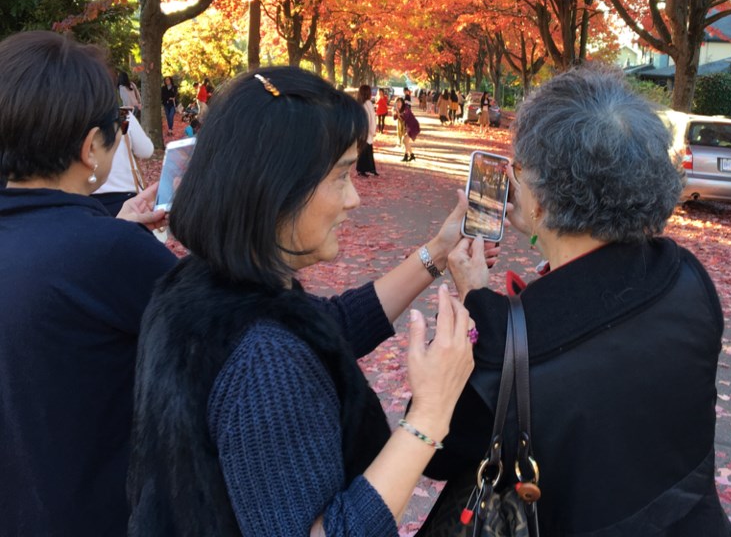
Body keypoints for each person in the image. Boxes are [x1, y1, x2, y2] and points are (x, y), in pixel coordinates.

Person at [127, 67, 490, 537]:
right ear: (275, 186)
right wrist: (429, 415)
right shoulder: (265, 362)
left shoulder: (199, 286)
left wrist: (438, 251)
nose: (354, 198)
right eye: (340, 176)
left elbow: (325, 326)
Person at [425, 67, 731, 535]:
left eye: (519, 172)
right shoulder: (686, 276)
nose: (510, 179)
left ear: (545, 201)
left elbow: (438, 451)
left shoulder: (502, 341)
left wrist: (474, 301)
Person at [0, 30, 177, 536]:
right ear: (89, 148)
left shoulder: (97, 246)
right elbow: (261, 332)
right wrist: (425, 259)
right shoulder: (109, 253)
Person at [93, 109, 155, 216]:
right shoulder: (121, 115)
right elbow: (146, 151)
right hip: (126, 196)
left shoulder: (76, 117)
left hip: (89, 199)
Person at [356, 84, 379, 177]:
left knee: (364, 150)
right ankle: (364, 169)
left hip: (361, 131)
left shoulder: (359, 104)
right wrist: (373, 130)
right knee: (366, 151)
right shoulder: (368, 104)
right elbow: (371, 118)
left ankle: (367, 169)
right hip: (367, 131)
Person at [397, 97, 421, 163]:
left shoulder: (406, 108)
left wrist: (399, 115)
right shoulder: (400, 109)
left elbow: (405, 117)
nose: (398, 104)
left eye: (399, 102)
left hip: (413, 126)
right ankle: (411, 155)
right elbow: (395, 117)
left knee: (405, 140)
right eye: (397, 102)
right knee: (405, 141)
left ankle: (406, 156)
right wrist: (396, 114)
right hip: (408, 126)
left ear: (402, 103)